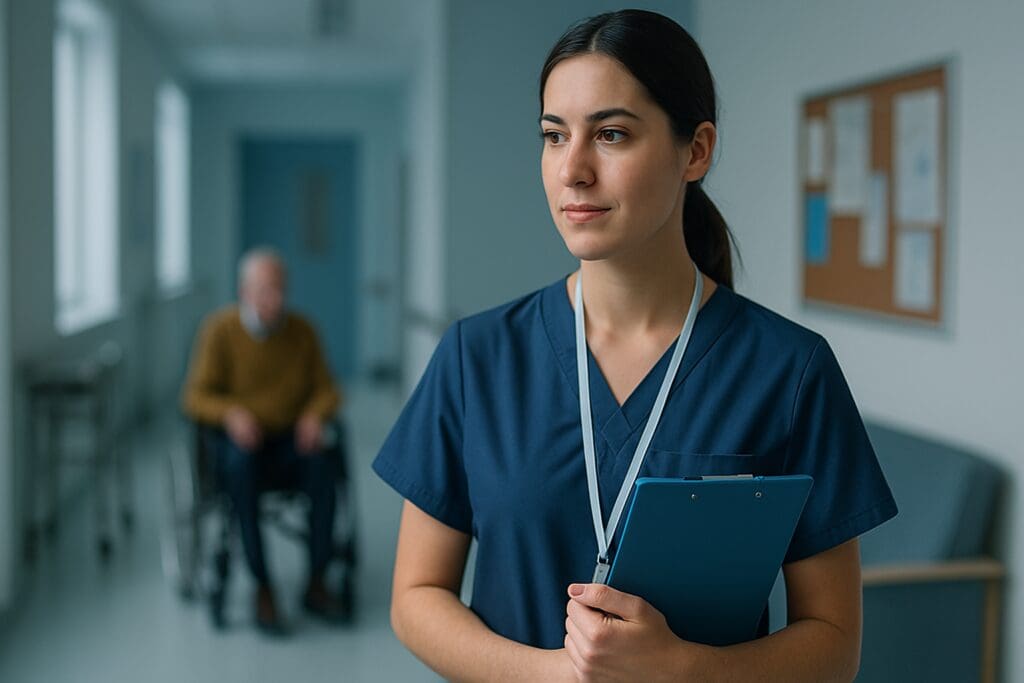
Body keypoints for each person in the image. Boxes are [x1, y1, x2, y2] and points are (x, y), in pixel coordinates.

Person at [374, 9, 897, 682]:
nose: (573, 170)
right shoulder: (478, 357)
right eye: (553, 136)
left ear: (696, 150)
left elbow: (832, 643)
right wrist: (552, 674)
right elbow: (416, 599)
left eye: (611, 134)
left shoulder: (789, 370)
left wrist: (683, 668)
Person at [182, 247, 345, 634]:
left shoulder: (303, 331)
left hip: (290, 441)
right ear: (244, 291)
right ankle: (262, 585)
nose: (276, 299)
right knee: (240, 470)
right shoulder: (218, 331)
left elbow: (328, 390)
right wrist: (231, 414)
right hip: (244, 445)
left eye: (281, 289)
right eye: (266, 290)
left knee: (324, 465)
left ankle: (317, 580)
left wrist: (313, 415)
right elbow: (194, 396)